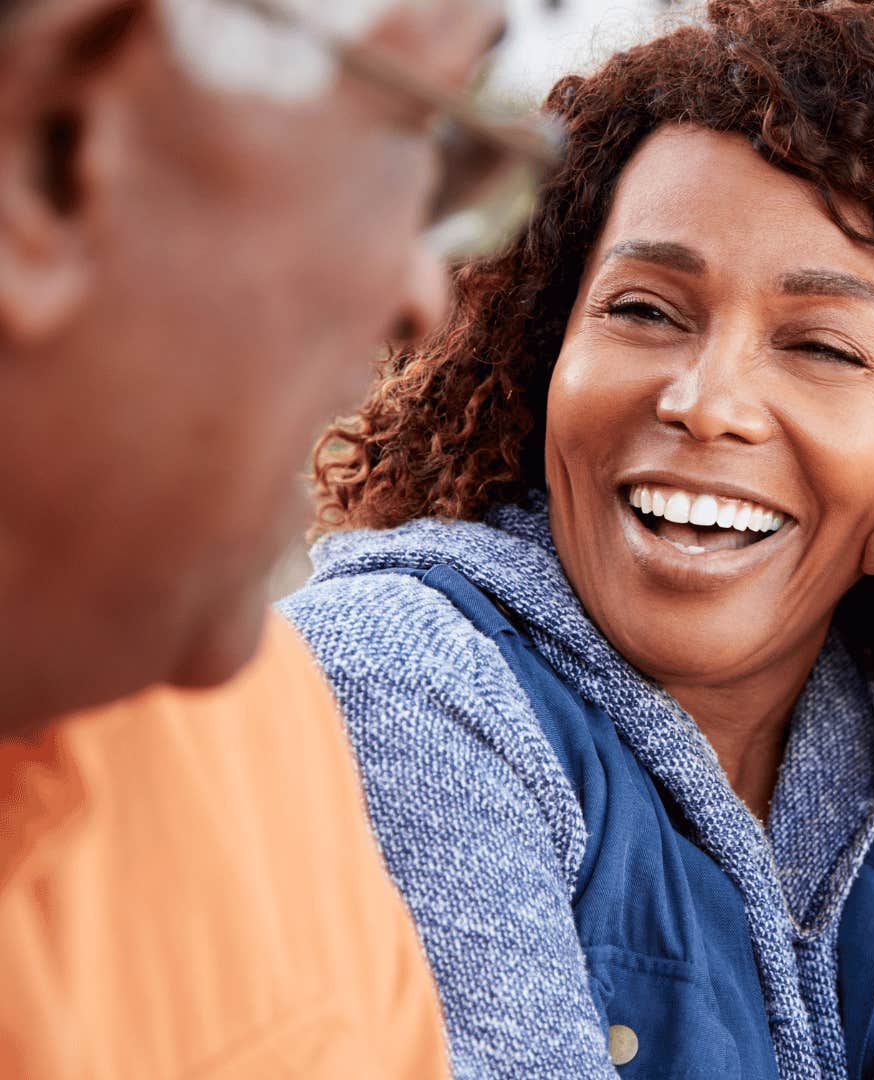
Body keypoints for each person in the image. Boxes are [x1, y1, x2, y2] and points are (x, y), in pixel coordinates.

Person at [279, 2, 874, 1077]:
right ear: (546, 353)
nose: (708, 402)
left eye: (820, 346)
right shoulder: (399, 680)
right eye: (646, 311)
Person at [0, 0, 543, 1075]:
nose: (421, 294)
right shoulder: (406, 671)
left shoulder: (265, 732)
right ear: (50, 152)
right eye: (416, 131)